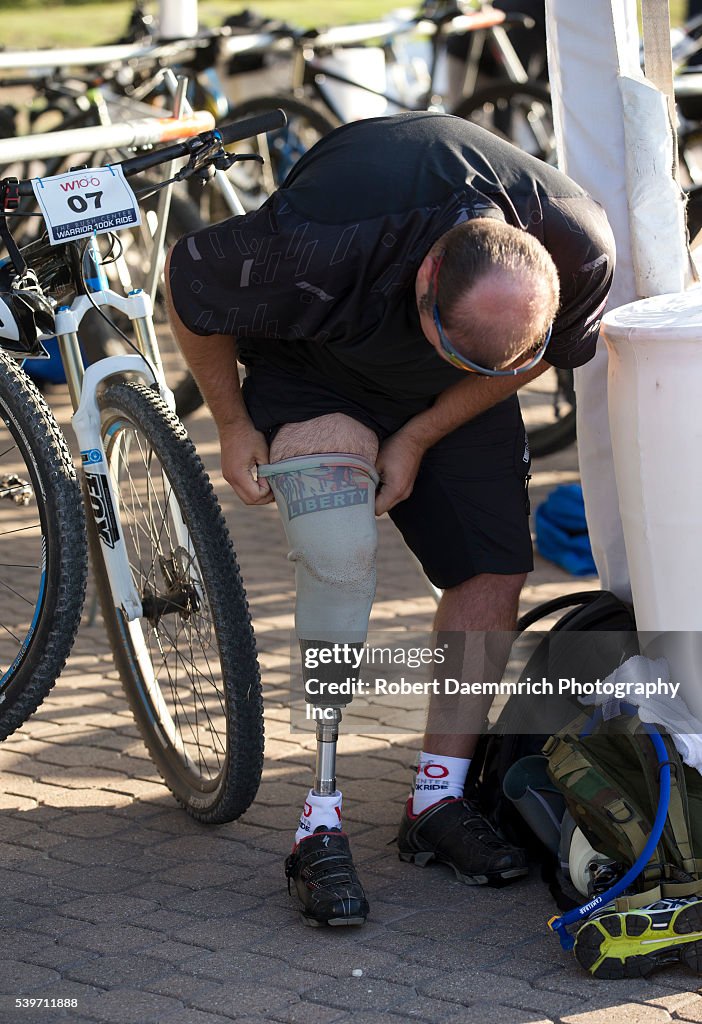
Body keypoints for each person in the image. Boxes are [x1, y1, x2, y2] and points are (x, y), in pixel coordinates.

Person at [165, 111, 615, 928]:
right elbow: (190, 290)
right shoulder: (330, 229)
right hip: (317, 368)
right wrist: (231, 423)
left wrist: (419, 431)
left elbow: (532, 357)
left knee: (495, 569)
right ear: (426, 276)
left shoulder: (578, 244)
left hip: (452, 405)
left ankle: (435, 806)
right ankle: (319, 819)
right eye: (458, 343)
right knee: (340, 550)